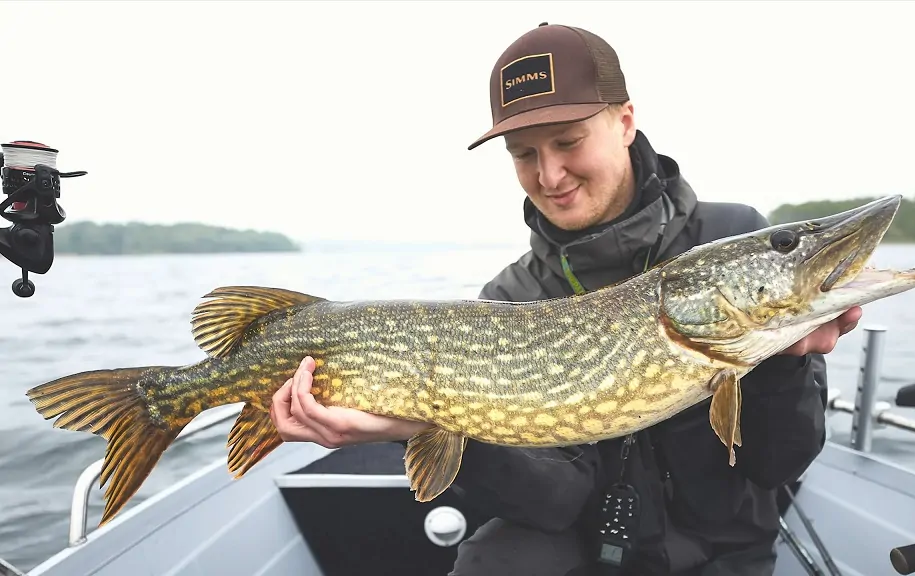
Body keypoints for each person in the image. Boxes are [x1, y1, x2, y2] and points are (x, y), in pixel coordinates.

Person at [269, 23, 861, 576]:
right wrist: (409, 423)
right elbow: (553, 501)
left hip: (723, 548)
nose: (550, 175)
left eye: (568, 141)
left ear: (625, 121)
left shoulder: (728, 238)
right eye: (523, 154)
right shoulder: (511, 299)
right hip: (587, 539)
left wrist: (788, 363)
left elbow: (779, 464)